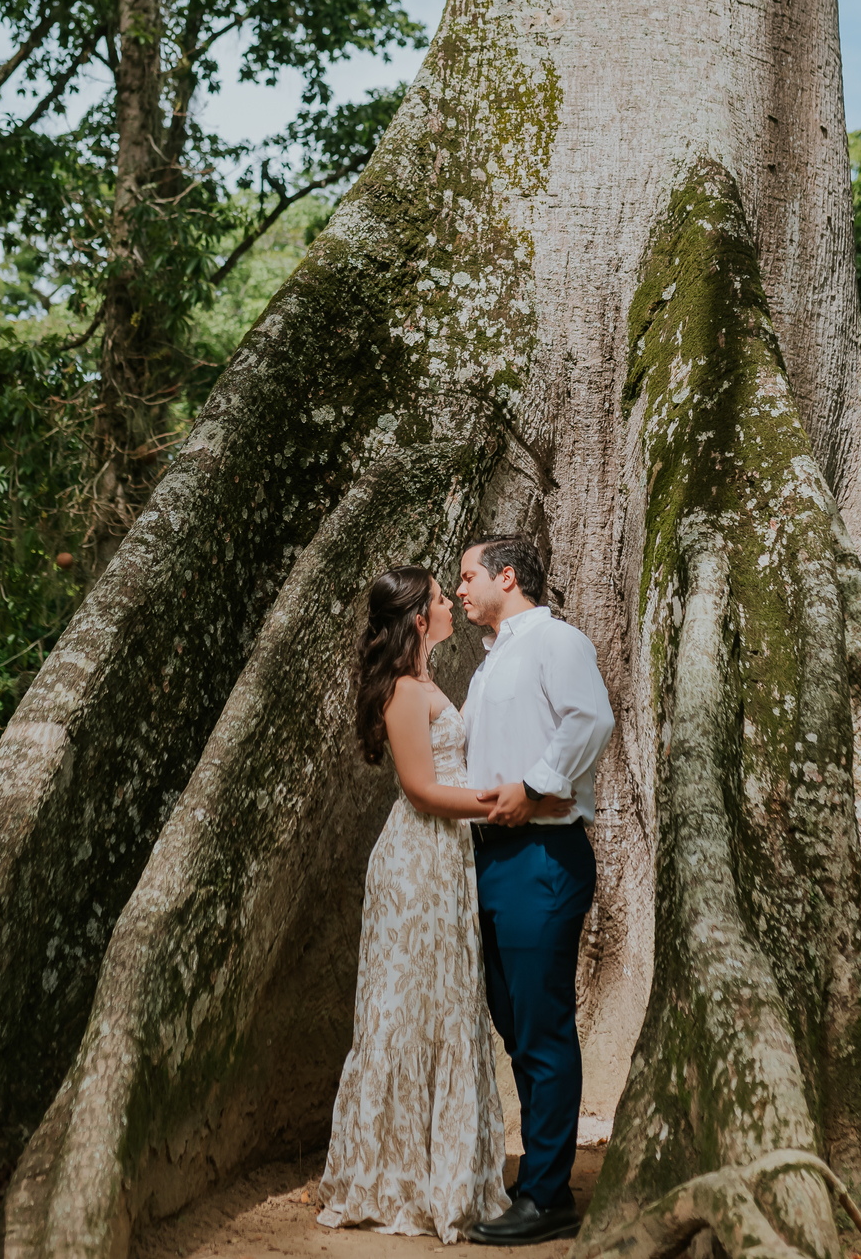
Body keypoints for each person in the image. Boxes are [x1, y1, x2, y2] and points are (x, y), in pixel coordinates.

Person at [318, 567, 574, 1242]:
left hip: (448, 859)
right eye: (436, 597)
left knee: (445, 1004)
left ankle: (446, 1166)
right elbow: (423, 791)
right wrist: (518, 800)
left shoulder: (428, 682)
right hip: (418, 859)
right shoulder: (403, 690)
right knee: (407, 1007)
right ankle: (395, 1173)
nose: (447, 602)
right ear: (414, 617)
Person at [458, 534, 615, 1248]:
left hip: (543, 855)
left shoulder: (557, 640)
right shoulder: (491, 661)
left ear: (508, 575)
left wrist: (536, 786)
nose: (461, 590)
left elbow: (592, 719)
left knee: (542, 1023)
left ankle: (549, 1194)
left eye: (468, 576)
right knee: (511, 1018)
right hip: (493, 858)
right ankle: (539, 1173)